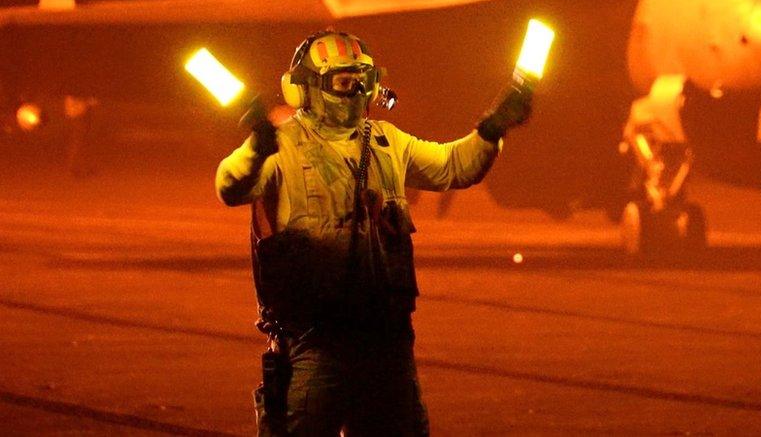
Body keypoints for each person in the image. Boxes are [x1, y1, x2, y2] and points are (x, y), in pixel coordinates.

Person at [215, 31, 531, 436]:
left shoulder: (387, 141)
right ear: (306, 88)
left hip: (387, 341)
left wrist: (493, 128)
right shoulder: (282, 145)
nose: (355, 91)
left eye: (362, 80)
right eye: (342, 81)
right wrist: (256, 149)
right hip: (315, 341)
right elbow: (230, 186)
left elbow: (455, 166)